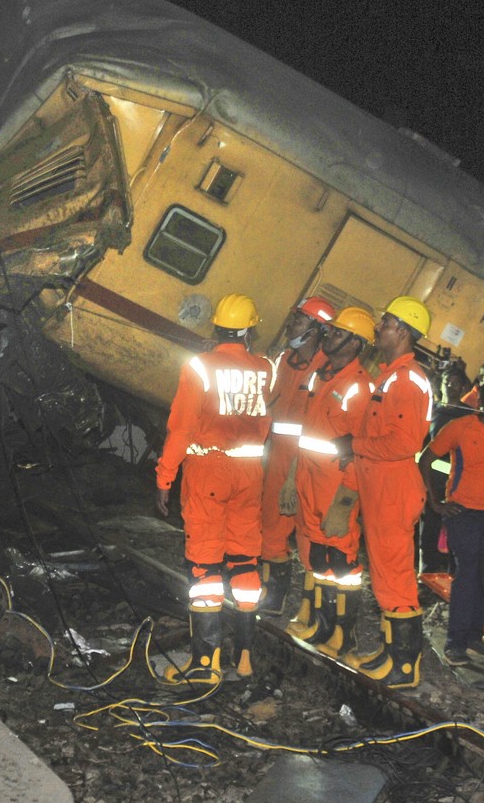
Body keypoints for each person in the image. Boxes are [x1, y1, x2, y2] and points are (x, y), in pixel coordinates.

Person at [155, 293, 273, 685]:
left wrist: (164, 477)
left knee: (205, 567)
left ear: (217, 326)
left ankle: (206, 666)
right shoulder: (264, 368)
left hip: (209, 471)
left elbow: (182, 428)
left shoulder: (200, 367)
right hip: (250, 472)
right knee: (243, 563)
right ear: (250, 330)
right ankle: (243, 659)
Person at [342, 296, 436, 689]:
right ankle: (389, 654)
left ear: (402, 329)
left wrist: (355, 445)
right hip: (382, 486)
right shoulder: (391, 374)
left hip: (394, 487)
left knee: (395, 578)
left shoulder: (406, 380)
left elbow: (403, 443)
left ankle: (404, 666)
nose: (378, 328)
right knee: (384, 577)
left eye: (385, 322)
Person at [284, 306, 375, 659]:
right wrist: (291, 476)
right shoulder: (322, 375)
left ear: (356, 343)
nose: (329, 336)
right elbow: (307, 430)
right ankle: (322, 625)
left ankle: (344, 635)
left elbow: (359, 447)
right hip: (309, 478)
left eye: (338, 334)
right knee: (318, 557)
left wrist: (345, 501)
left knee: (343, 565)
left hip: (335, 484)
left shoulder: (359, 386)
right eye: (332, 331)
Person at [423, 380, 484, 664]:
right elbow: (426, 459)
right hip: (462, 511)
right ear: (479, 402)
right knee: (467, 574)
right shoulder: (460, 427)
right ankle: (455, 642)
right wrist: (435, 502)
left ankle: (474, 637)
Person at [258, 296, 337, 614]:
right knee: (267, 525)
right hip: (274, 454)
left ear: (318, 330)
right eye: (295, 317)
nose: (292, 323)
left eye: (301, 320)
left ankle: (299, 605)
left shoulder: (325, 371)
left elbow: (316, 428)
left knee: (296, 532)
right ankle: (270, 595)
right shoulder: (283, 359)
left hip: (301, 463)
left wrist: (293, 476)